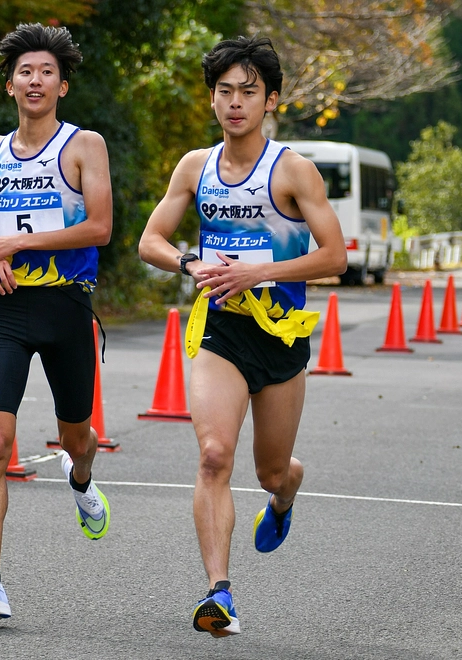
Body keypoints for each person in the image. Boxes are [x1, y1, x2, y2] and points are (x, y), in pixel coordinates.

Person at [137, 36, 346, 637]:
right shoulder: (194, 167)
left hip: (279, 337)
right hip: (220, 332)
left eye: (248, 92)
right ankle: (218, 594)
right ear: (212, 99)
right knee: (212, 456)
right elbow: (150, 240)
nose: (235, 103)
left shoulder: (293, 171)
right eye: (225, 91)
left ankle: (285, 496)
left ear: (270, 100)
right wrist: (190, 264)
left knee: (272, 471)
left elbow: (334, 256)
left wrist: (262, 271)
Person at [0, 22, 113, 622]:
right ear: (10, 84)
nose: (34, 81)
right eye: (24, 72)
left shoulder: (83, 145)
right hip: (7, 310)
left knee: (77, 440)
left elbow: (100, 227)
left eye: (46, 72)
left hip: (67, 307)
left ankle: (81, 481)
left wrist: (18, 243)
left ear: (62, 85)